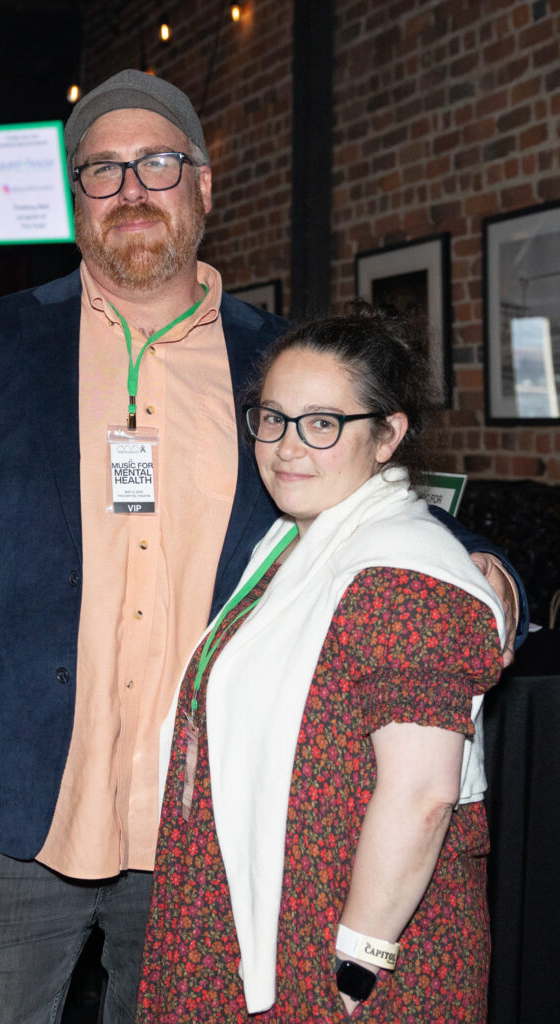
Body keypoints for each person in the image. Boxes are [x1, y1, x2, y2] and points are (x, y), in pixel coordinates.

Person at [0, 71, 522, 1024]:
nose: (131, 188)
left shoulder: (275, 355)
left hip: (208, 821)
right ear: (77, 198)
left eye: (158, 163)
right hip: (5, 808)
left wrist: (478, 563)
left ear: (204, 186)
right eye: (103, 170)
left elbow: (365, 476)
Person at [137, 308, 506, 1023]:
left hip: (348, 952)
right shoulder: (289, 547)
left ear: (387, 436)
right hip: (269, 921)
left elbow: (423, 794)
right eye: (273, 419)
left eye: (322, 424)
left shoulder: (404, 578)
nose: (286, 447)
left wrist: (358, 960)